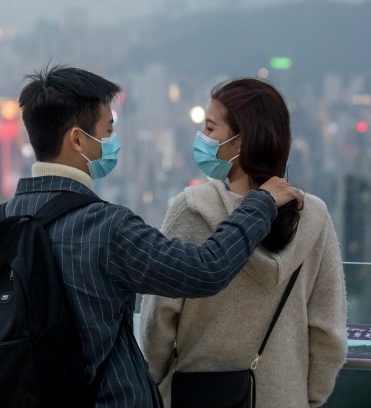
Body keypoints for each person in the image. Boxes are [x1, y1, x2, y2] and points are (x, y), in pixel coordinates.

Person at [0, 66, 304, 407]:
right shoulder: (106, 227)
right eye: (107, 130)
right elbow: (205, 269)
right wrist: (260, 204)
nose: (113, 141)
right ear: (78, 140)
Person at [139, 77, 347, 408]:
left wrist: (153, 382)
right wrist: (303, 398)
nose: (202, 139)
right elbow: (328, 334)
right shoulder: (313, 218)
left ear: (240, 143)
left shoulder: (191, 210)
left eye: (210, 129)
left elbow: (158, 322)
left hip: (197, 397)